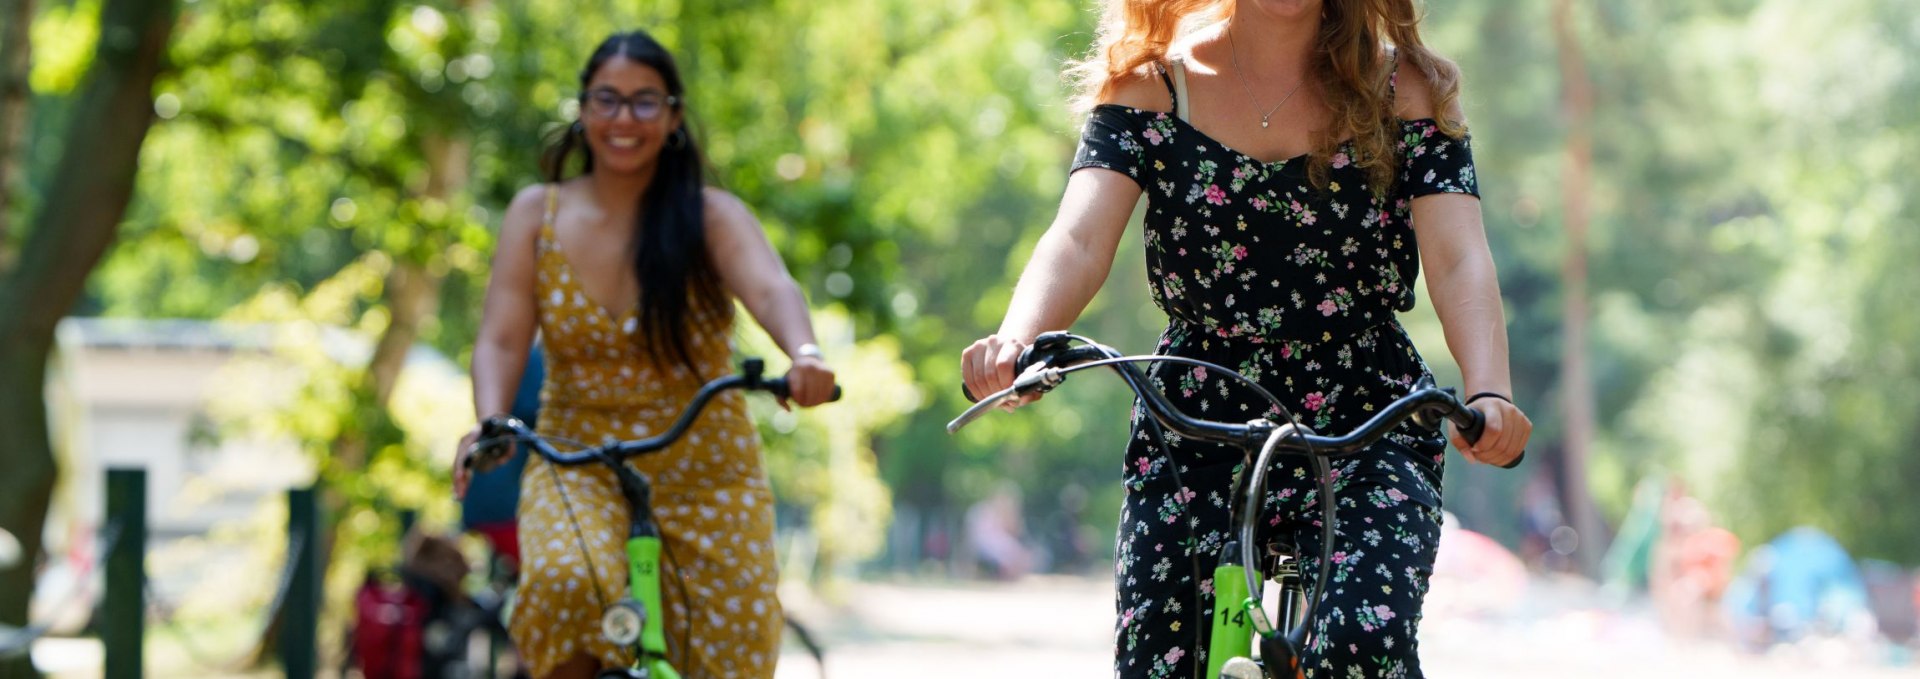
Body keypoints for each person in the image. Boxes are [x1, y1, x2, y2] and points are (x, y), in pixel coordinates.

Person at [960, 1, 1531, 676]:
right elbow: (1079, 238)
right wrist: (1018, 340)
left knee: (1359, 644)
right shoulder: (1153, 84)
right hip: (1197, 414)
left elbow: (1459, 256)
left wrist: (1490, 389)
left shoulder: (1406, 91)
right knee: (1159, 656)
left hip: (1365, 414)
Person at [451, 30, 836, 679]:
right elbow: (501, 336)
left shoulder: (709, 215)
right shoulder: (535, 215)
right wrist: (490, 420)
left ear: (674, 115)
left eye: (644, 102)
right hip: (577, 459)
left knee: (733, 649)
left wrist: (805, 353)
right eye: (607, 99)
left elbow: (771, 287)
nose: (623, 118)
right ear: (582, 109)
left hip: (707, 470)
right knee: (566, 583)